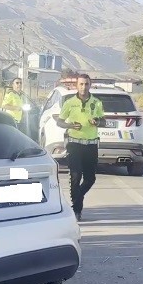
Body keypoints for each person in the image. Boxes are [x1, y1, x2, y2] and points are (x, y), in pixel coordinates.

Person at [53, 74, 104, 220]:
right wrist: (70, 125)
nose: (84, 87)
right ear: (77, 85)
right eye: (81, 84)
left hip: (91, 145)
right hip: (74, 144)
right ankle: (77, 210)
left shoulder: (97, 102)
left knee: (90, 179)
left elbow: (104, 121)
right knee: (75, 177)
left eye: (86, 84)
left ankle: (76, 199)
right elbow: (60, 122)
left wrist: (97, 122)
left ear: (90, 85)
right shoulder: (70, 103)